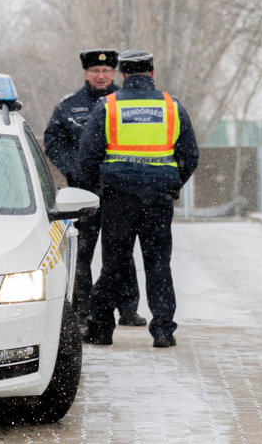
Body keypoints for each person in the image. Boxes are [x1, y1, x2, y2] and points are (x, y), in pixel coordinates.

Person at [75, 50, 199, 348]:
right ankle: (163, 331)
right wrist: (171, 183)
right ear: (152, 73)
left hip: (119, 197)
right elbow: (190, 156)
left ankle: (101, 329)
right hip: (158, 198)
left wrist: (99, 187)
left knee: (114, 264)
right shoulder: (172, 106)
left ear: (123, 75)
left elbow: (87, 157)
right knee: (158, 263)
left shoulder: (108, 106)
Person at [44, 49, 147, 328]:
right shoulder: (69, 105)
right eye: (95, 71)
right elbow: (53, 141)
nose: (101, 76)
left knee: (120, 251)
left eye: (106, 71)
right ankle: (82, 309)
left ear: (115, 73)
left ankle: (127, 309)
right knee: (82, 252)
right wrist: (74, 168)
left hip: (118, 190)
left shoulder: (126, 103)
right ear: (86, 73)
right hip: (82, 192)